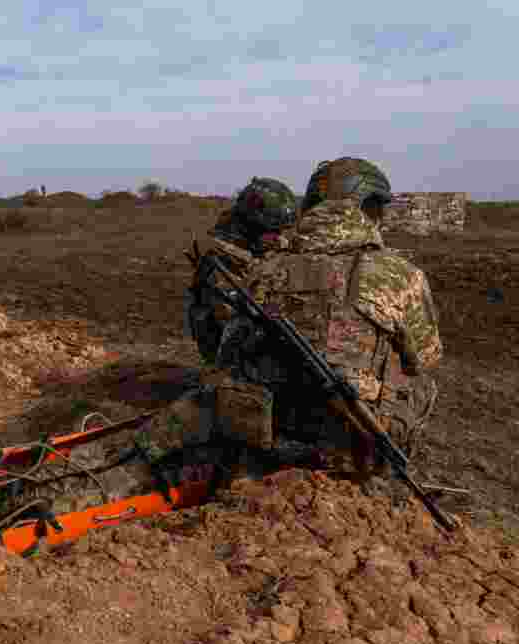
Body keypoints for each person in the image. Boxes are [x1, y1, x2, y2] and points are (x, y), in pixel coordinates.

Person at [188, 158, 443, 488]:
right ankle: (379, 471)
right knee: (421, 382)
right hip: (350, 444)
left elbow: (227, 356)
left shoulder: (263, 269)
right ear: (371, 208)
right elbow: (424, 358)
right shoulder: (400, 274)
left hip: (265, 438)